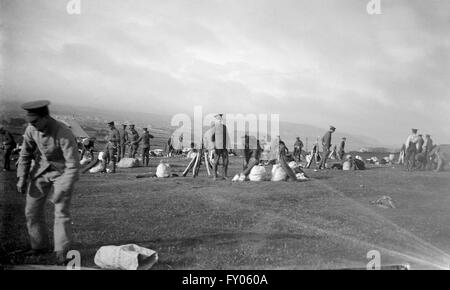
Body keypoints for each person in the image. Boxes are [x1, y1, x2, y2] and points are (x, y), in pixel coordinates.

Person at [16, 100, 80, 265]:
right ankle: (39, 246)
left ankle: (62, 251)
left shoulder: (63, 132)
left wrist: (63, 189)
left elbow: (73, 165)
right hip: (41, 172)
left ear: (45, 117)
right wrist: (22, 177)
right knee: (31, 211)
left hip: (63, 173)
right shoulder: (32, 129)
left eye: (35, 121)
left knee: (61, 211)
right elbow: (25, 154)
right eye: (30, 122)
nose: (32, 125)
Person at [211, 114, 230, 180]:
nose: (220, 120)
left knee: (226, 161)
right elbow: (212, 138)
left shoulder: (224, 127)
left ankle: (224, 175)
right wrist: (214, 146)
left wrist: (229, 146)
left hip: (224, 147)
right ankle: (214, 176)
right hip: (217, 147)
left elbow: (227, 137)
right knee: (216, 162)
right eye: (218, 119)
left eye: (220, 118)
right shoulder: (214, 128)